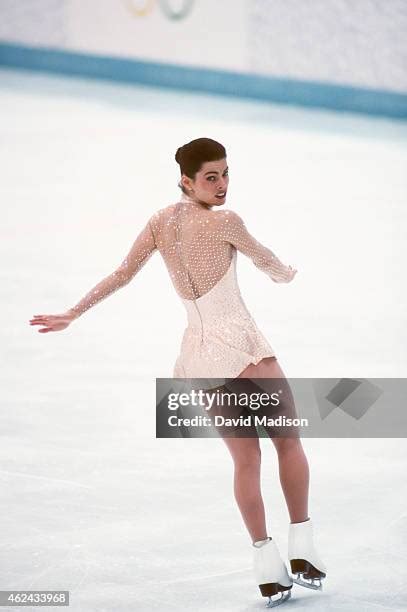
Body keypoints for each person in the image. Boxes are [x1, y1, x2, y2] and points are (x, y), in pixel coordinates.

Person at [29, 137, 326, 607]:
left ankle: (267, 571)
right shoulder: (226, 221)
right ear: (187, 180)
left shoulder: (160, 222)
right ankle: (304, 553)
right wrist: (286, 274)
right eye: (212, 177)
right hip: (243, 348)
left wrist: (74, 312)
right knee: (287, 442)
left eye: (227, 174)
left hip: (199, 358)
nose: (222, 185)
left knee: (245, 462)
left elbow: (123, 273)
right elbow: (265, 259)